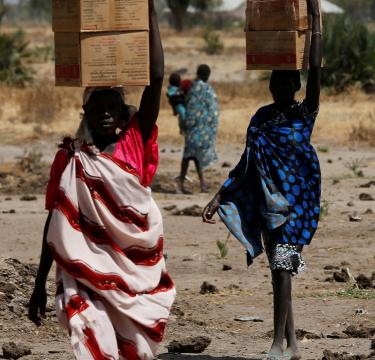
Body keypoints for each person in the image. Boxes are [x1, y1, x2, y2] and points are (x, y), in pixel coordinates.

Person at [27, 1, 176, 358]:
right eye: (99, 107)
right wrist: (39, 283)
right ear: (87, 114)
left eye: (113, 106)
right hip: (86, 272)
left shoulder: (134, 141)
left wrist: (149, 13)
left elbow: (156, 77)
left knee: (136, 349)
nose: (106, 113)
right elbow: (57, 221)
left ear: (125, 113)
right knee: (89, 333)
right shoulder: (71, 159)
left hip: (132, 274)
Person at [201, 1, 322, 358]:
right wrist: (219, 196)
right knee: (278, 271)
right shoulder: (262, 117)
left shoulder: (305, 113)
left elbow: (315, 67)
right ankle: (294, 345)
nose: (281, 85)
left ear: (297, 84)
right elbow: (246, 162)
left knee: (283, 267)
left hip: (297, 204)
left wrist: (315, 19)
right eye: (276, 79)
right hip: (268, 204)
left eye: (288, 80)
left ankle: (276, 343)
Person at [178, 64, 220, 194]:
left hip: (191, 126)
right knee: (189, 155)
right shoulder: (206, 89)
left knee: (194, 155)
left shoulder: (192, 86)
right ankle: (180, 185)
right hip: (199, 128)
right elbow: (213, 108)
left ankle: (201, 184)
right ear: (207, 75)